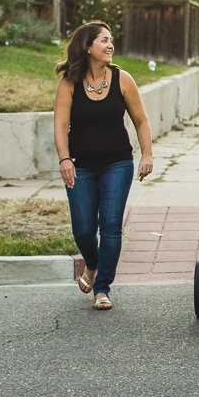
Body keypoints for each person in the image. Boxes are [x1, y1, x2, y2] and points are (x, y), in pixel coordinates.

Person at [53, 21, 154, 311]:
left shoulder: (123, 79)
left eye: (111, 40)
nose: (110, 45)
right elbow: (60, 125)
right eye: (103, 41)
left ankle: (102, 288)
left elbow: (141, 120)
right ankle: (92, 264)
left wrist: (146, 154)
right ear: (87, 47)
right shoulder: (69, 83)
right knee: (84, 229)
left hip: (117, 163)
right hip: (80, 165)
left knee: (110, 226)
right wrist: (64, 158)